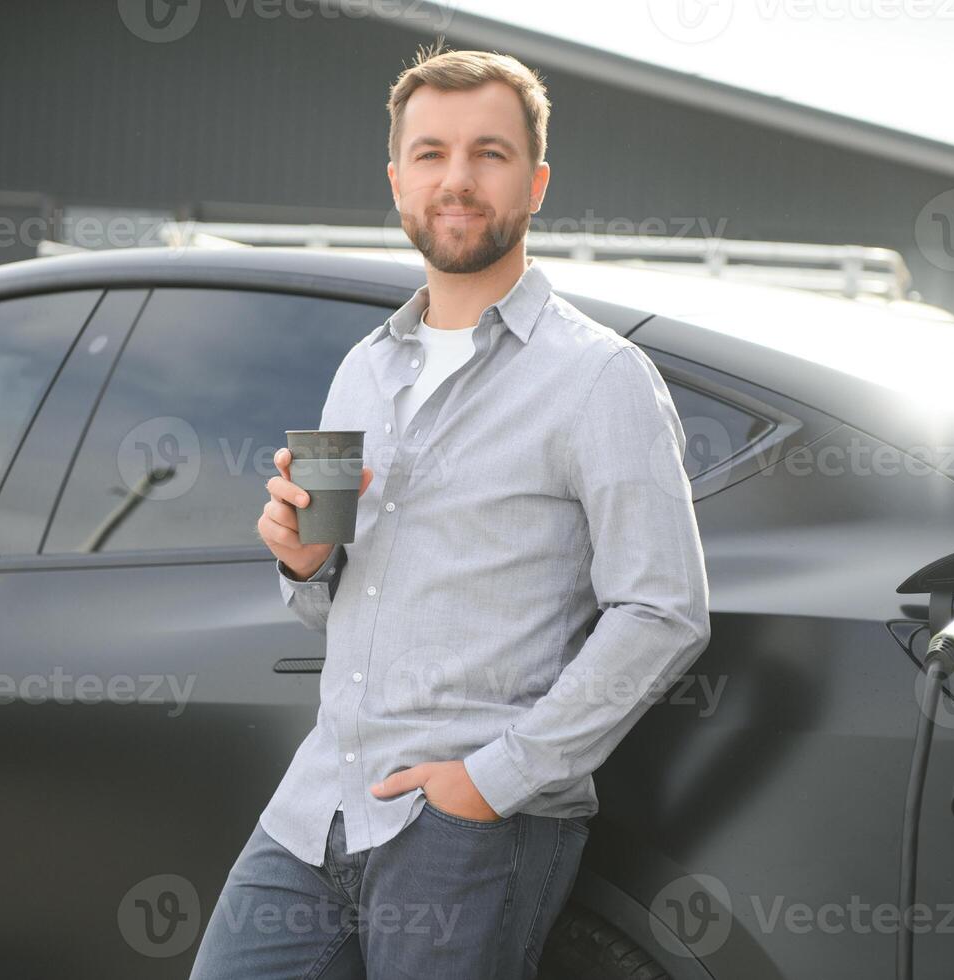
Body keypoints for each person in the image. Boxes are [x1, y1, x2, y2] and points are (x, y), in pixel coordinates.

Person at [189, 41, 711, 980]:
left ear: (536, 182)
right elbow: (328, 598)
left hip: (468, 833)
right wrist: (303, 564)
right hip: (319, 801)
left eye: (489, 153)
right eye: (430, 154)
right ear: (397, 181)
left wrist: (490, 783)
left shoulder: (600, 378)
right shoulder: (363, 367)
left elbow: (663, 611)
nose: (456, 179)